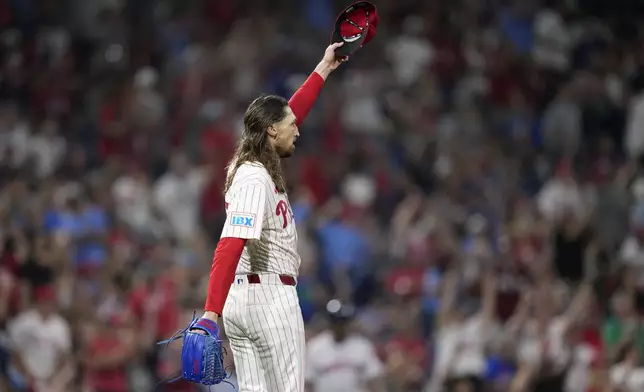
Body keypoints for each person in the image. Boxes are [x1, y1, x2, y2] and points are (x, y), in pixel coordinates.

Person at [194, 42, 347, 392]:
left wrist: (324, 68)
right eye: (291, 125)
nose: (298, 128)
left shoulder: (258, 161)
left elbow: (291, 112)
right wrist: (210, 313)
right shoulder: (253, 176)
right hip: (268, 301)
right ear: (272, 132)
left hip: (248, 301)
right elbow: (230, 243)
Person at [305, 299, 384, 392]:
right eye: (336, 321)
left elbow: (375, 378)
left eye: (342, 322)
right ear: (330, 322)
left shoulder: (362, 346)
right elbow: (308, 382)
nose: (340, 325)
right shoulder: (315, 346)